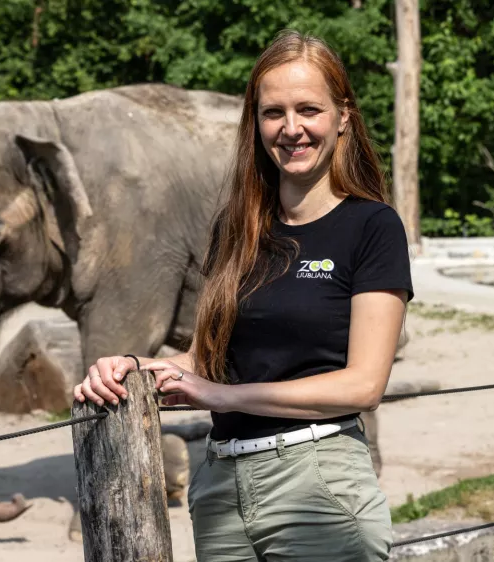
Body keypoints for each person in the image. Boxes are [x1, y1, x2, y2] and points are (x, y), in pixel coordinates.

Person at [73, 29, 413, 561]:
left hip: (318, 486)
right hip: (221, 492)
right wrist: (131, 368)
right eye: (273, 113)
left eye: (309, 109)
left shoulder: (373, 227)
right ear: (255, 123)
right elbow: (207, 361)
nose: (291, 129)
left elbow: (363, 385)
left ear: (343, 116)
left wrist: (222, 396)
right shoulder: (236, 231)